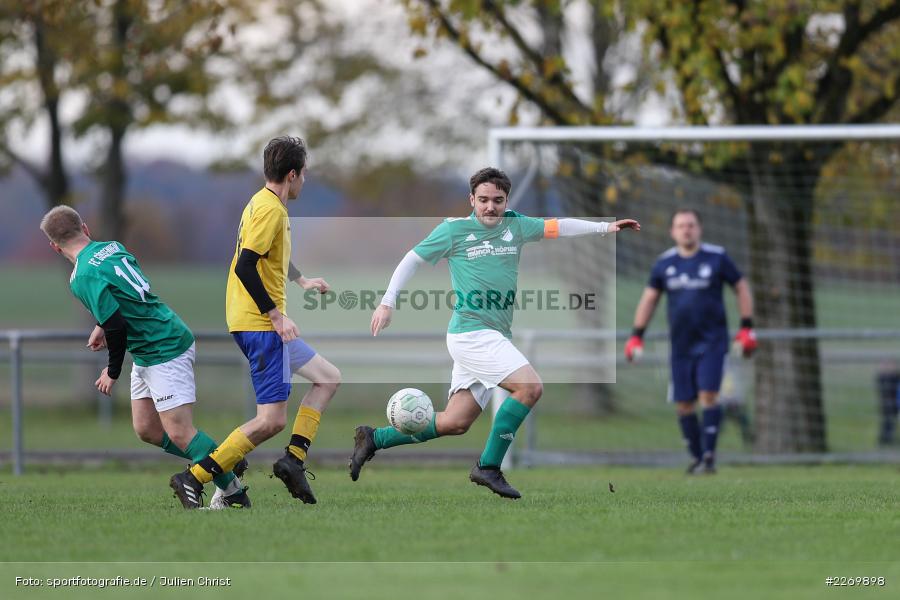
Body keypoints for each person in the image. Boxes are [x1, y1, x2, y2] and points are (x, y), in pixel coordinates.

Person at [348, 167, 640, 499]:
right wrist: (387, 303)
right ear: (471, 199)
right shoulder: (454, 230)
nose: (490, 207)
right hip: (472, 334)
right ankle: (488, 467)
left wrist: (605, 227)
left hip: (491, 336)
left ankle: (374, 438)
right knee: (530, 388)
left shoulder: (515, 225)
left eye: (497, 201)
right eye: (483, 200)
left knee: (455, 422)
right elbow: (411, 259)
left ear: (506, 201)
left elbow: (558, 227)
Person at [39, 206, 249, 508]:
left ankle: (233, 492)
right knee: (147, 429)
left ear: (54, 247)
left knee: (179, 432)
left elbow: (117, 325)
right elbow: (125, 295)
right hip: (150, 347)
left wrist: (112, 371)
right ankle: (221, 460)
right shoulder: (111, 247)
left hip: (164, 346)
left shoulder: (81, 276)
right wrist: (102, 325)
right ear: (85, 228)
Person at [170, 136, 341, 508]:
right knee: (270, 421)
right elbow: (246, 264)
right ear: (292, 174)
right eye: (304, 175)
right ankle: (193, 478)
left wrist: (301, 281)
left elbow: (266, 256)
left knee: (328, 378)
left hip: (255, 321)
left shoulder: (262, 203)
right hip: (261, 324)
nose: (304, 182)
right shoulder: (271, 210)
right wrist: (276, 316)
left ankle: (293, 461)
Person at [625, 209, 756, 474]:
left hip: (713, 342)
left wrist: (746, 328)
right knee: (684, 403)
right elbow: (650, 299)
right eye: (681, 225)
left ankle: (709, 456)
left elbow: (741, 286)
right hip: (681, 346)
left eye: (691, 225)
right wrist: (637, 335)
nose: (686, 230)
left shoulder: (717, 257)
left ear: (699, 229)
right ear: (673, 232)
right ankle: (697, 457)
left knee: (709, 395)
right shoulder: (664, 263)